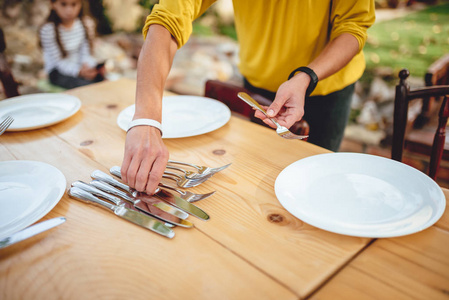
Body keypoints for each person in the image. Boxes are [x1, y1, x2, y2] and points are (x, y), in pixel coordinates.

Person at [121, 0, 376, 195]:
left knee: (318, 188)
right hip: (257, 86)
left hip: (324, 88)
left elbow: (353, 27)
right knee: (258, 189)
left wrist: (306, 76)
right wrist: (147, 119)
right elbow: (167, 20)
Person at [39, 0, 105, 89]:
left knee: (101, 79)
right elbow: (58, 62)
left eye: (74, 4)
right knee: (86, 86)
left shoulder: (85, 24)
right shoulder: (48, 30)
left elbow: (85, 53)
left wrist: (89, 66)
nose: (69, 10)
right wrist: (79, 71)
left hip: (80, 66)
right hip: (58, 72)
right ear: (53, 4)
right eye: (63, 4)